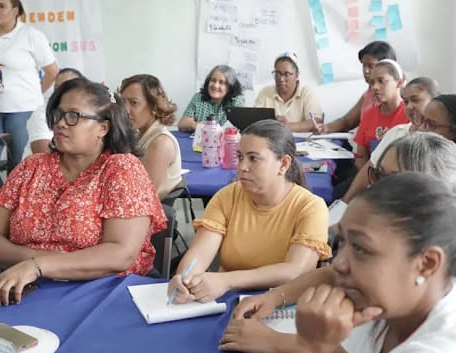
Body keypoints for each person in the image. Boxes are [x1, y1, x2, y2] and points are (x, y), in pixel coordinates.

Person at [223, 134, 456, 352]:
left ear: (427, 262)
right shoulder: (410, 289)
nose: (338, 261)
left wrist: (311, 345)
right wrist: (277, 298)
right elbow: (333, 273)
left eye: (361, 249)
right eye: (344, 243)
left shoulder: (438, 346)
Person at [0, 78, 167, 306]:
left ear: (103, 128)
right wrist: (34, 265)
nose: (61, 124)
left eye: (73, 116)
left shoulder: (122, 169)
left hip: (102, 294)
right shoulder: (31, 167)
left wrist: (38, 266)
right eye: (58, 115)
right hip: (24, 288)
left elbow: (120, 255)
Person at [167, 120, 331, 304]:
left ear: (283, 164)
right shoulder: (227, 196)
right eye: (240, 156)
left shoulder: (310, 207)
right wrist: (184, 279)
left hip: (281, 304)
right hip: (228, 299)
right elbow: (200, 253)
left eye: (253, 158)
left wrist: (228, 280)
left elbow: (295, 271)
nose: (242, 167)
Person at [0, 0, 59, 172]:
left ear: (15, 10)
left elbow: (52, 71)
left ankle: (16, 201)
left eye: (2, 6)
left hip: (23, 109)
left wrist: (34, 94)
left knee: (19, 164)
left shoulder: (31, 35)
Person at [340, 76, 438, 203]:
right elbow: (370, 166)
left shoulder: (440, 140)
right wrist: (344, 203)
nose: (409, 107)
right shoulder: (397, 132)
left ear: (435, 102)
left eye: (415, 100)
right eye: (406, 102)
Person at [120, 74, 182, 200]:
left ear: (153, 107)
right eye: (123, 102)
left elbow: (142, 198)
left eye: (134, 103)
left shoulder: (161, 144)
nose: (125, 110)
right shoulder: (140, 135)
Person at [321, 41, 397, 134]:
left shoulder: (400, 98)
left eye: (371, 66)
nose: (366, 71)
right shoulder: (368, 94)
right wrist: (326, 128)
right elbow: (348, 121)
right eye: (364, 65)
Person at [352, 59, 409, 170]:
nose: (375, 87)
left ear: (399, 83)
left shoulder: (408, 115)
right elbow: (361, 156)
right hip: (369, 174)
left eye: (381, 81)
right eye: (372, 82)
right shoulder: (369, 115)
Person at [254, 52, 323, 132]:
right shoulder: (265, 92)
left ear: (297, 75)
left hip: (301, 142)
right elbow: (254, 120)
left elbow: (316, 120)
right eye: (277, 74)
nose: (281, 79)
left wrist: (290, 126)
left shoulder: (306, 92)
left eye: (286, 74)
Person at [25, 68, 84, 155]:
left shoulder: (87, 112)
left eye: (66, 87)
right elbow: (44, 156)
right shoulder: (42, 114)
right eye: (57, 88)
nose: (60, 92)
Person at [177, 65, 244, 132]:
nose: (215, 85)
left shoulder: (236, 101)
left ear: (230, 87)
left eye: (221, 82)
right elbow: (182, 124)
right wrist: (197, 125)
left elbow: (241, 129)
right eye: (213, 80)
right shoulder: (199, 97)